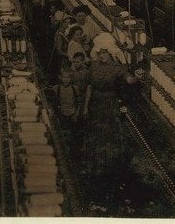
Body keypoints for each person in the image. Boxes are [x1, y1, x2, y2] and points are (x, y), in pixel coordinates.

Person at [81, 47, 141, 211]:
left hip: (110, 102)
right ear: (96, 54)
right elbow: (89, 87)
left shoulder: (117, 68)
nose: (102, 56)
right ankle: (98, 161)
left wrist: (136, 76)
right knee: (97, 133)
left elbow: (128, 80)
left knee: (111, 133)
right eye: (100, 53)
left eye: (105, 53)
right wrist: (86, 107)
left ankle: (110, 163)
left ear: (110, 53)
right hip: (96, 103)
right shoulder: (93, 67)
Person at [48, 67, 81, 142]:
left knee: (72, 135)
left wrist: (76, 114)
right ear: (60, 77)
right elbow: (51, 102)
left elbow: (79, 103)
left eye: (68, 77)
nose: (66, 79)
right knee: (61, 134)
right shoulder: (56, 88)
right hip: (61, 115)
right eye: (64, 77)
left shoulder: (75, 88)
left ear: (71, 78)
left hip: (72, 115)